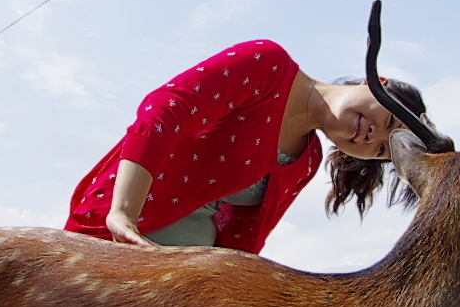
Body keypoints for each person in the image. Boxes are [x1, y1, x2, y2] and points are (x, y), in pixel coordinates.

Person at [65, 39, 425, 252]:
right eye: (389, 120)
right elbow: (166, 109)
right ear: (377, 81)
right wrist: (123, 213)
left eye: (381, 150)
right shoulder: (269, 64)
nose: (373, 135)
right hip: (115, 240)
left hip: (180, 291)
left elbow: (247, 242)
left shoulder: (307, 160)